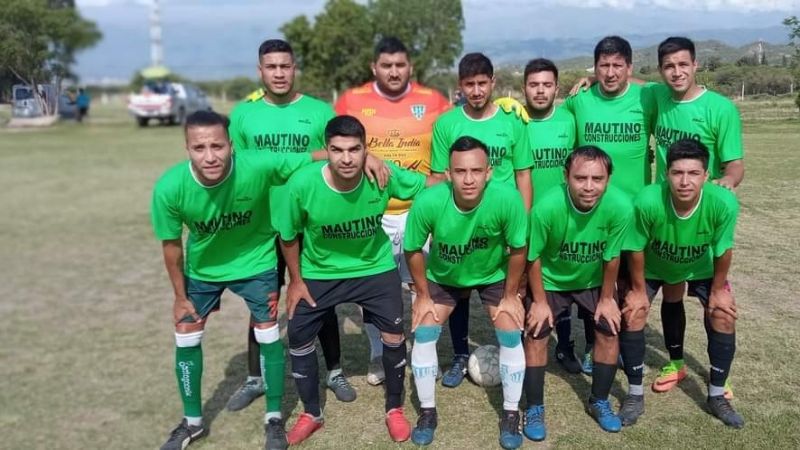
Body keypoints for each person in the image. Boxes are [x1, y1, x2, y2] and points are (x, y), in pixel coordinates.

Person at [152, 111, 324, 450]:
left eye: (217, 145)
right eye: (199, 147)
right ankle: (192, 423)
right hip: (203, 271)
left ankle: (274, 417)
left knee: (269, 333)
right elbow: (171, 247)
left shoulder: (258, 165)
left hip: (257, 263)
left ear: (232, 146)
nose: (210, 155)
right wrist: (178, 296)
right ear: (187, 148)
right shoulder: (169, 188)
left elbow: (313, 156)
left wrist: (370, 157)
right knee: (186, 337)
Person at [275, 115, 436, 445]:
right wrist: (296, 280)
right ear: (327, 150)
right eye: (337, 150)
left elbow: (429, 185)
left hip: (373, 267)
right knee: (298, 337)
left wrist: (474, 182)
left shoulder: (381, 174)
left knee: (394, 335)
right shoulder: (303, 183)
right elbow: (288, 234)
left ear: (367, 150)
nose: (346, 158)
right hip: (320, 271)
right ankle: (311, 413)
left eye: (354, 150)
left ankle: (394, 409)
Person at [225, 39, 356, 409]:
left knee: (320, 299)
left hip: (307, 223)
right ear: (260, 71)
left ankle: (334, 372)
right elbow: (237, 172)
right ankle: (255, 379)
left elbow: (337, 158)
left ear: (295, 68)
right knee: (261, 304)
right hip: (261, 226)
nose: (279, 73)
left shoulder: (318, 111)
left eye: (285, 66)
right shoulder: (243, 115)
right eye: (272, 67)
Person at [334, 36, 450, 385]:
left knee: (424, 285)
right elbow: (337, 146)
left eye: (400, 65)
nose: (394, 71)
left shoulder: (434, 101)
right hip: (372, 213)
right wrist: (367, 154)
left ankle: (422, 351)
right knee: (375, 287)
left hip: (421, 209)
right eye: (387, 65)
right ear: (374, 67)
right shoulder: (352, 100)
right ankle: (377, 354)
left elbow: (445, 159)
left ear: (410, 67)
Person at [406, 136, 528, 449]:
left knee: (511, 332)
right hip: (445, 276)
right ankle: (428, 413)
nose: (469, 179)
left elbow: (519, 247)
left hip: (492, 274)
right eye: (460, 171)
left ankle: (512, 413)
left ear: (489, 172)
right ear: (448, 173)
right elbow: (412, 249)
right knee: (424, 331)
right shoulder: (429, 201)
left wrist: (511, 295)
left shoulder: (507, 198)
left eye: (476, 170)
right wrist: (421, 295)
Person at [621, 138, 743, 428]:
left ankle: (716, 396)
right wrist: (638, 291)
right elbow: (635, 248)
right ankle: (635, 395)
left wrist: (717, 291)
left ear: (706, 175)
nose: (684, 181)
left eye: (693, 173)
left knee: (724, 315)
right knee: (633, 312)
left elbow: (724, 249)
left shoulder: (723, 202)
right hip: (653, 265)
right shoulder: (648, 200)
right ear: (666, 174)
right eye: (677, 173)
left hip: (700, 266)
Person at [429, 52, 533, 388]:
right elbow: (437, 179)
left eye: (482, 83)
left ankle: (513, 354)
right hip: (460, 224)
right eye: (469, 84)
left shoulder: (511, 120)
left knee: (507, 292)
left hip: (501, 226)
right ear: (460, 86)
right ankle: (460, 355)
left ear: (493, 83)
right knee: (458, 291)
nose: (476, 91)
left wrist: (523, 224)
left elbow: (523, 177)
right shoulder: (446, 124)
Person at [648, 37, 744, 397]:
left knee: (715, 300)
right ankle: (675, 363)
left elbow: (735, 164)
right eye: (669, 66)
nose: (676, 71)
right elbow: (635, 86)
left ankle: (719, 374)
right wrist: (594, 80)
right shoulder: (658, 97)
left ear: (695, 65)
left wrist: (727, 182)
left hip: (703, 216)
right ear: (661, 70)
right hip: (668, 217)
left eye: (683, 64)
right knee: (672, 292)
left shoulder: (720, 109)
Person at [523, 146, 633, 439]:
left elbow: (612, 257)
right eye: (580, 177)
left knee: (609, 330)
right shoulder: (547, 207)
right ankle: (533, 408)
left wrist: (608, 300)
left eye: (597, 178)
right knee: (537, 332)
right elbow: (532, 256)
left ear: (608, 178)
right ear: (565, 176)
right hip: (549, 280)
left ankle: (599, 401)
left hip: (591, 281)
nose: (588, 186)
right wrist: (541, 303)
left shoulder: (621, 207)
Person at [561, 36, 654, 374]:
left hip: (635, 213)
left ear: (629, 67)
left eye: (618, 66)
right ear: (595, 67)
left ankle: (627, 349)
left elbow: (663, 89)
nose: (611, 72)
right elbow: (552, 121)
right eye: (604, 66)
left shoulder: (646, 97)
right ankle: (593, 347)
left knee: (629, 286)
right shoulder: (580, 101)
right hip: (591, 210)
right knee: (595, 281)